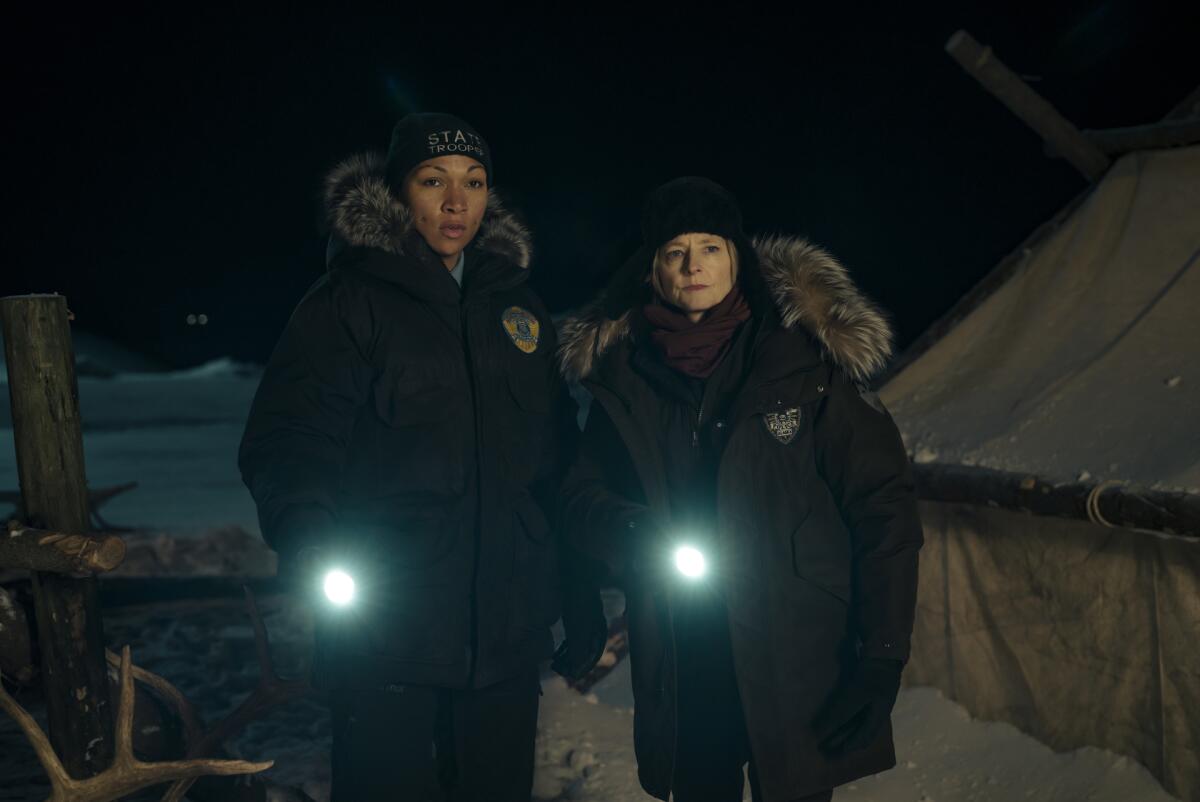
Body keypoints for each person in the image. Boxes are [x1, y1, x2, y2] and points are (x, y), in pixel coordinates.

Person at [238, 112, 606, 801]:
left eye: (473, 182)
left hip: (504, 643)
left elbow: (556, 464)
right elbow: (288, 439)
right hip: (387, 637)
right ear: (398, 192)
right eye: (433, 181)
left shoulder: (518, 311)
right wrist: (312, 539)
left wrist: (578, 587)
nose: (456, 201)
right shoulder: (348, 304)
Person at [557, 177, 923, 802]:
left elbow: (883, 507)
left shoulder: (801, 364)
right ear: (652, 271)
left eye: (711, 247)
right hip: (685, 649)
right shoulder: (626, 377)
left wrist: (883, 656)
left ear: (737, 259)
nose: (693, 265)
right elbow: (579, 497)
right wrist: (632, 529)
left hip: (797, 651)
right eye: (675, 251)